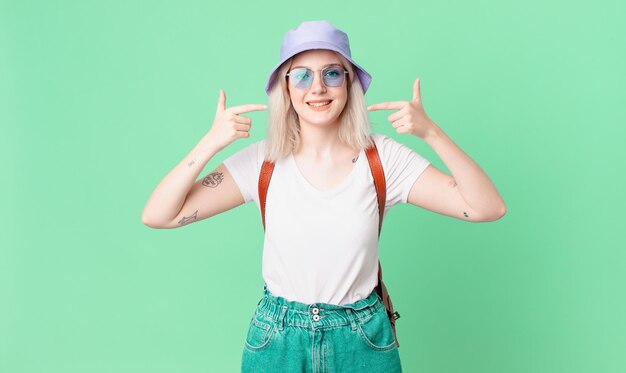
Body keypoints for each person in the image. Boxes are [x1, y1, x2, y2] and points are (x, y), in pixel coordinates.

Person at [142, 20, 506, 373]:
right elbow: (159, 215)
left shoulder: (383, 159)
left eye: (332, 73)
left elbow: (487, 207)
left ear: (349, 85)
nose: (317, 87)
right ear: (285, 88)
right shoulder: (261, 162)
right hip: (277, 340)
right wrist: (210, 144)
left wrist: (432, 133)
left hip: (362, 339)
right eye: (301, 75)